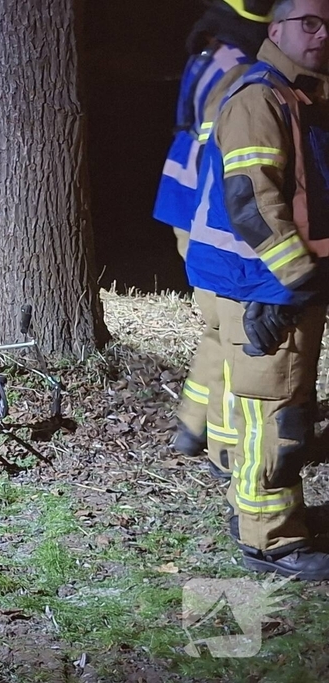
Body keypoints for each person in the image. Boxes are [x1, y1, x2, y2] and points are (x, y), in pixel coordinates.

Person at [186, 0, 329, 579]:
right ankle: (271, 539)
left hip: (261, 282)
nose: (322, 36)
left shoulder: (296, 93)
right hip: (266, 287)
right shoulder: (261, 97)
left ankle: (253, 516)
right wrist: (295, 278)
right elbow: (253, 201)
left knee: (261, 411)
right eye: (310, 24)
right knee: (276, 417)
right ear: (275, 30)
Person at [153, 0, 276, 479]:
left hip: (187, 201)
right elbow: (229, 158)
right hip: (207, 209)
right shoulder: (239, 66)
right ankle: (226, 451)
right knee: (231, 327)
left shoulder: (214, 51)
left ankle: (192, 423)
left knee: (216, 325)